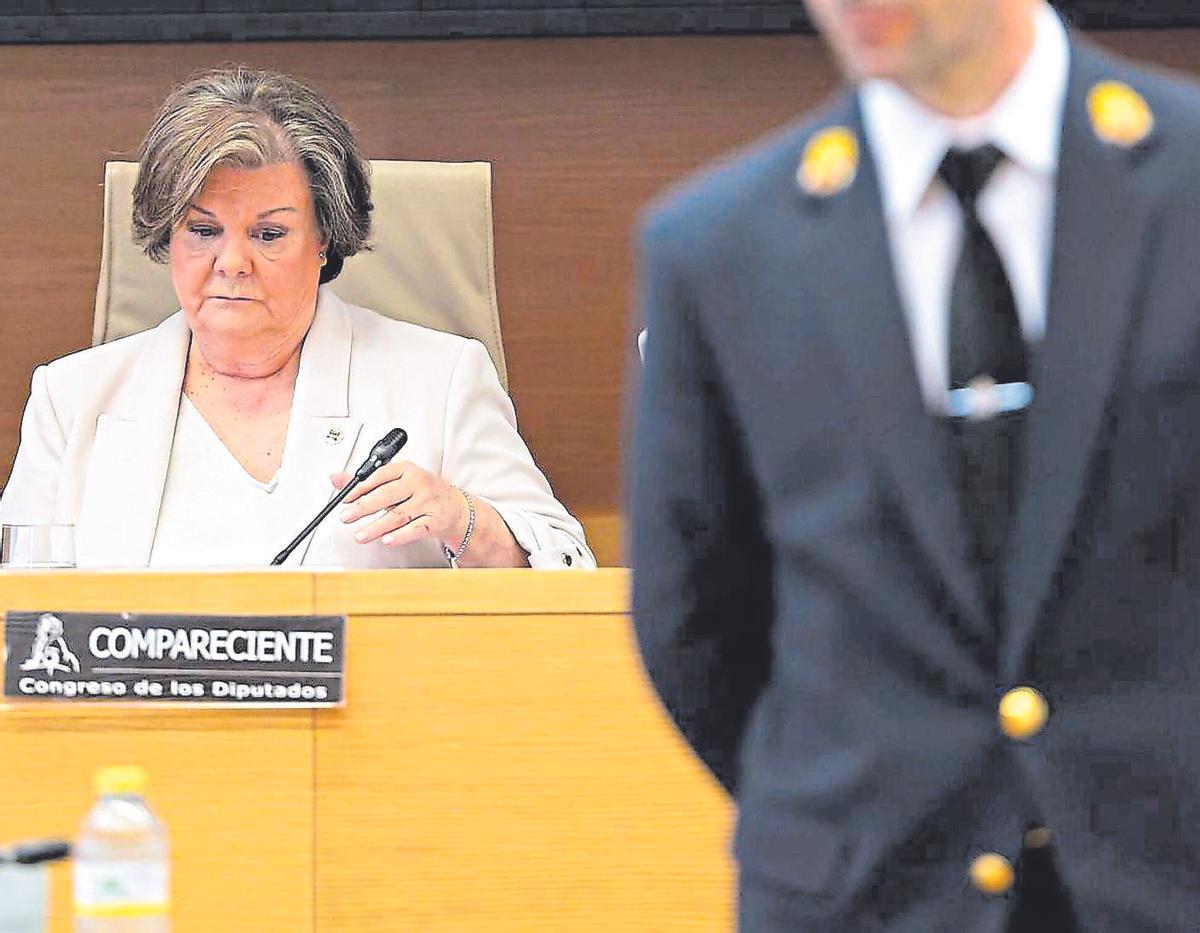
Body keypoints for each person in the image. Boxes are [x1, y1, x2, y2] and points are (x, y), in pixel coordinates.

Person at [631, 1, 1200, 929]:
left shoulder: (1184, 181)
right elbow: (694, 613)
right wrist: (848, 804)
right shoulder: (720, 247)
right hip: (866, 892)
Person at [0, 67, 593, 571]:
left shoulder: (441, 380)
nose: (232, 262)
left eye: (269, 234)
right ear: (167, 237)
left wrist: (464, 521)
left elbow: (566, 571)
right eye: (203, 230)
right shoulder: (71, 399)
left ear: (323, 240)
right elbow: (15, 611)